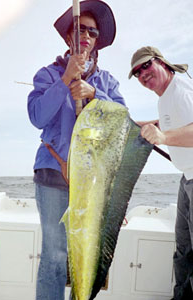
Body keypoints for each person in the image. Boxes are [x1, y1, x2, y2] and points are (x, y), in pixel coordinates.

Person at [27, 1, 126, 299]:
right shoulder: (47, 74)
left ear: (97, 40)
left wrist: (94, 94)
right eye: (79, 29)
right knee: (55, 257)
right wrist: (66, 79)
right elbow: (37, 117)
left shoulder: (106, 82)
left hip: (91, 182)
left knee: (85, 257)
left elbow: (121, 120)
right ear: (69, 35)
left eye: (92, 31)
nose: (86, 35)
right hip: (53, 176)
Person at [129, 46, 193, 300]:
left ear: (162, 63)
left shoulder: (181, 91)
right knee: (184, 249)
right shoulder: (165, 97)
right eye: (137, 72)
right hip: (186, 178)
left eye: (146, 65)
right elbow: (164, 122)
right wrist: (135, 124)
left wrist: (163, 137)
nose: (143, 73)